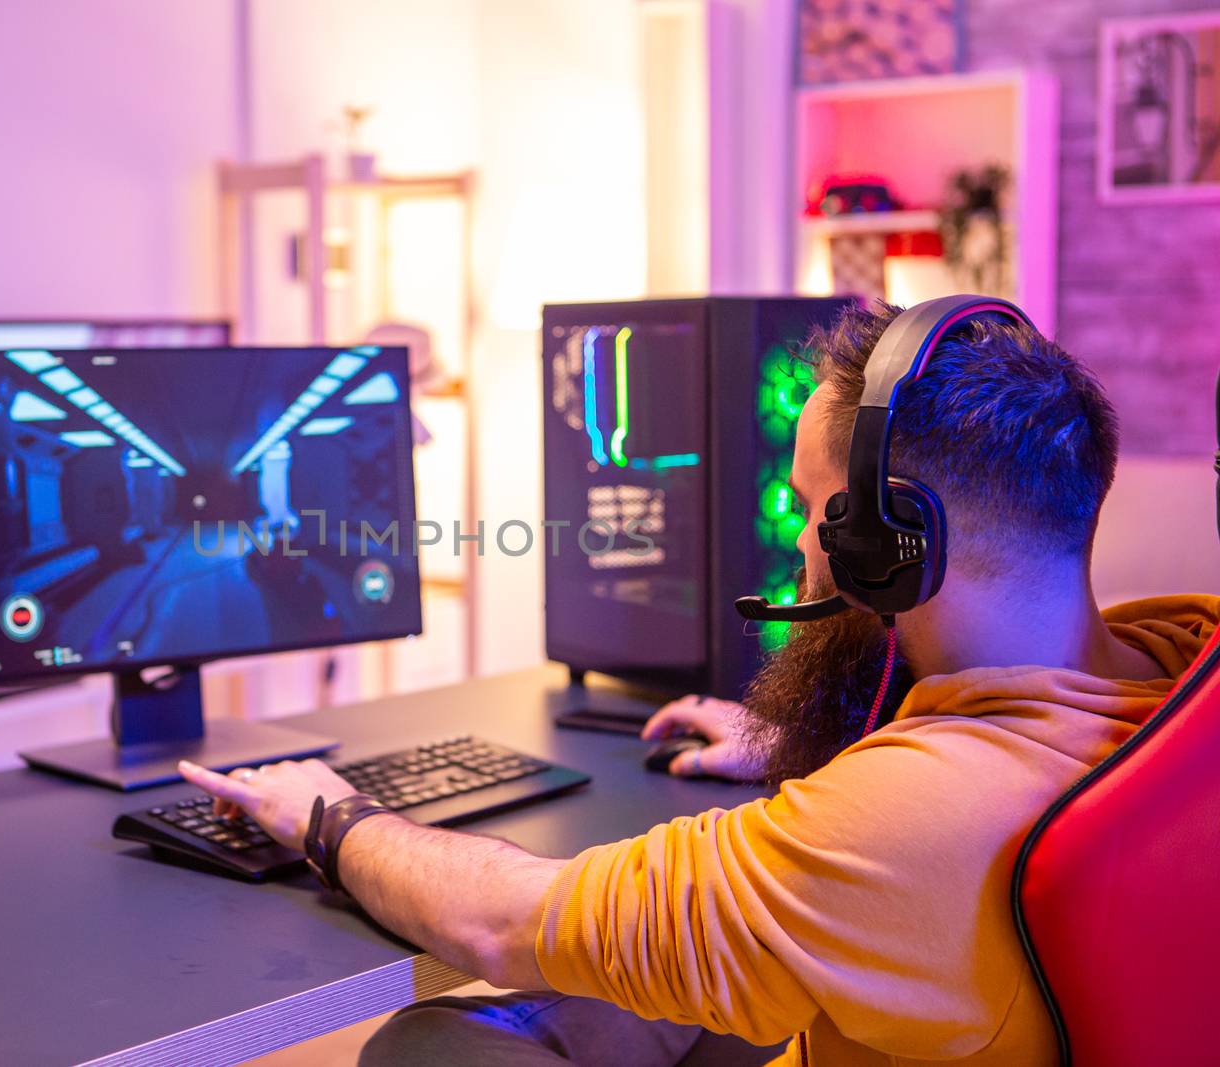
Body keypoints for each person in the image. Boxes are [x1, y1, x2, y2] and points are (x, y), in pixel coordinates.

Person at [179, 301, 1218, 1066]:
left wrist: (332, 814)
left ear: (889, 544)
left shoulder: (903, 824)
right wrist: (783, 744)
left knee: (437, 1046)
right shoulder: (1178, 659)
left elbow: (502, 919)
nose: (799, 542)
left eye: (809, 509)